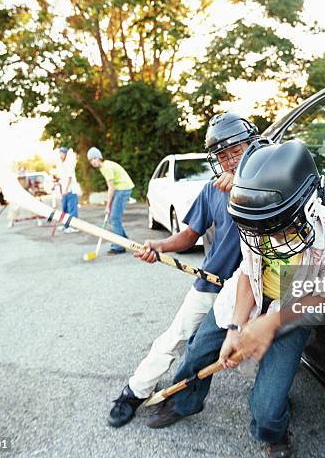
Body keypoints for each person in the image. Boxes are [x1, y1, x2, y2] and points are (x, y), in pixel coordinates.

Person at [147, 139, 325, 458]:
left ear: (309, 205)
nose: (269, 237)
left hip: (293, 309)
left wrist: (270, 322)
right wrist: (235, 327)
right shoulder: (255, 217)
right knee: (198, 351)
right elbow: (247, 270)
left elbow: (323, 296)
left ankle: (273, 431)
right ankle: (184, 402)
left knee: (268, 409)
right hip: (245, 296)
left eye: (280, 228)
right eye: (261, 229)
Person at [106, 112, 260, 428]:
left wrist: (246, 183)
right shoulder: (212, 190)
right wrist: (160, 246)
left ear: (253, 146)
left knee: (255, 352)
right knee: (176, 338)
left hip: (254, 289)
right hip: (211, 284)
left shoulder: (271, 183)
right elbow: (190, 235)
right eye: (222, 154)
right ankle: (134, 392)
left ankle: (269, 405)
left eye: (237, 150)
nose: (230, 160)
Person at [87, 148, 135, 254]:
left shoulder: (106, 167)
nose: (93, 161)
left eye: (95, 158)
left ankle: (119, 246)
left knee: (114, 217)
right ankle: (124, 241)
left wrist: (108, 205)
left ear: (100, 157)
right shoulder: (104, 167)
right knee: (115, 217)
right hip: (120, 188)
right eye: (91, 160)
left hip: (123, 188)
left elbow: (111, 188)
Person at [58, 146, 80, 233]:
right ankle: (66, 225)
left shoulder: (69, 163)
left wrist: (66, 189)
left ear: (66, 154)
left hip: (70, 190)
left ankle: (74, 226)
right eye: (60, 153)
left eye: (62, 153)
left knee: (72, 209)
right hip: (65, 190)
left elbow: (69, 177)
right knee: (65, 209)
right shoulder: (62, 164)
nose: (60, 155)